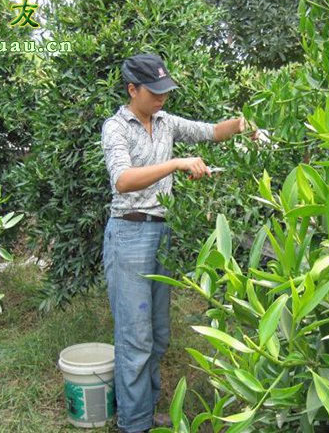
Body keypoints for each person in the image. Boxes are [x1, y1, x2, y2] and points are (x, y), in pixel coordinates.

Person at [100, 53, 255, 433]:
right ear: (131, 89)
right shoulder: (115, 128)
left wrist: (242, 125)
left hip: (161, 233)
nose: (161, 99)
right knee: (134, 338)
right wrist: (176, 163)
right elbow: (123, 180)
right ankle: (133, 425)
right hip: (129, 234)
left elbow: (210, 132)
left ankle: (144, 411)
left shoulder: (166, 122)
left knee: (157, 335)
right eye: (154, 93)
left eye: (165, 92)